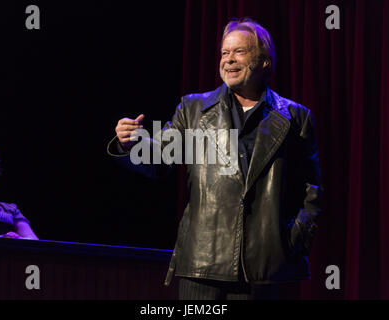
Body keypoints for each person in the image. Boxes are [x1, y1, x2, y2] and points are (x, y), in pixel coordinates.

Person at [107, 18, 322, 300]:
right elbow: (159, 160)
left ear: (264, 62)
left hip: (265, 267)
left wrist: (292, 241)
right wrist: (131, 143)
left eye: (239, 52)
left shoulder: (295, 117)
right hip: (204, 262)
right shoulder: (194, 108)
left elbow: (311, 189)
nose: (229, 60)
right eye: (224, 53)